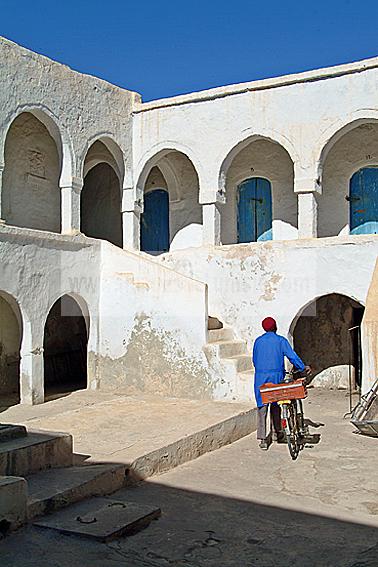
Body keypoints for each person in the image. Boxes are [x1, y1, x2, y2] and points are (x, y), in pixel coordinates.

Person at [252, 317, 310, 450]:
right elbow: (292, 356)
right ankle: (277, 432)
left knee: (262, 407)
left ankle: (262, 439)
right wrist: (301, 367)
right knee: (276, 403)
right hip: (276, 375)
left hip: (260, 377)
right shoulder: (280, 341)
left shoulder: (258, 341)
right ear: (275, 327)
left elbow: (254, 360)